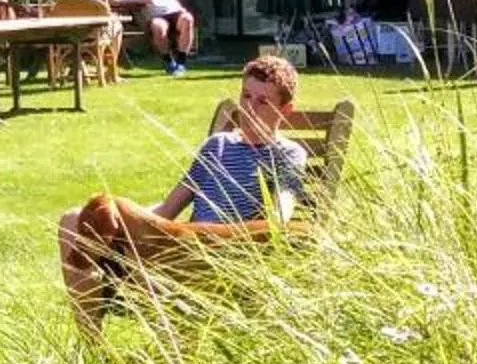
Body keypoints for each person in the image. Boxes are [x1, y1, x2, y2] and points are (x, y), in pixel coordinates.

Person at [57, 53, 307, 332]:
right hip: (179, 250)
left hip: (225, 259)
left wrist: (213, 239)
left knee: (127, 238)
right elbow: (166, 210)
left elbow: (279, 221)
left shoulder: (287, 153)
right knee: (72, 220)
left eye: (263, 101)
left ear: (285, 110)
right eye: (246, 96)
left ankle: (176, 353)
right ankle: (94, 351)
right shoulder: (218, 145)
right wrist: (122, 217)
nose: (249, 108)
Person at [110, 0, 195, 74]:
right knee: (157, 27)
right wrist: (124, 1)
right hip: (155, 16)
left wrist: (124, 1)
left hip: (173, 10)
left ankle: (181, 62)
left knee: (188, 19)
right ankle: (169, 62)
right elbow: (112, 1)